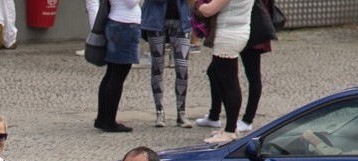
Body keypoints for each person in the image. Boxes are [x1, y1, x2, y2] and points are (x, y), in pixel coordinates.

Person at [197, 0, 273, 134]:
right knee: (215, 72)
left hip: (249, 28)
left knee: (250, 76)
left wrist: (197, 5)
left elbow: (209, 10)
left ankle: (245, 121)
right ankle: (216, 115)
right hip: (239, 27)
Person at [193, 0, 252, 144]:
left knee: (229, 84)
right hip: (235, 32)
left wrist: (197, 4)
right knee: (216, 75)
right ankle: (230, 127)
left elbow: (208, 10)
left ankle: (230, 131)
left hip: (228, 36)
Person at [88, 0, 142, 133]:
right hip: (125, 25)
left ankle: (102, 118)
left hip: (116, 22)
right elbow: (131, 2)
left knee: (111, 73)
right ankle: (109, 121)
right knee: (117, 76)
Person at [141, 0, 193, 128]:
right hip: (155, 19)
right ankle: (160, 111)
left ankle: (181, 113)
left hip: (181, 20)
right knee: (157, 66)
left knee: (182, 67)